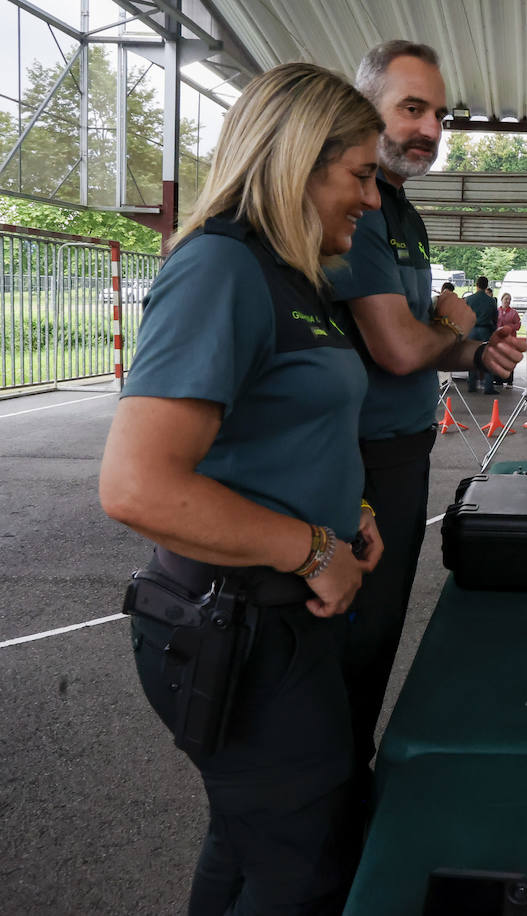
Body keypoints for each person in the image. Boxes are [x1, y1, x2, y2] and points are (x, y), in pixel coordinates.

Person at [99, 62, 386, 913]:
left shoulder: (293, 275)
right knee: (306, 868)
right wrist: (313, 547)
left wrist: (348, 511)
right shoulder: (222, 268)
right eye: (360, 174)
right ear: (300, 161)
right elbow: (137, 485)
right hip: (239, 622)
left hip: (281, 617)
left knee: (254, 839)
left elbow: (279, 435)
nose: (372, 199)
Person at [328, 40, 521, 795]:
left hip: (403, 453)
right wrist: (461, 344)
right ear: (362, 106)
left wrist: (468, 346)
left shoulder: (397, 208)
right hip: (360, 461)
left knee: (374, 642)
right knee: (346, 649)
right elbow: (399, 347)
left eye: (439, 113)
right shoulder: (355, 204)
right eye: (412, 108)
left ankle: (345, 785)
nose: (431, 128)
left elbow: (420, 339)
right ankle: (331, 803)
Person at [465, 275, 500, 393]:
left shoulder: (469, 299)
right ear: (487, 286)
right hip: (486, 330)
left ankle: (472, 385)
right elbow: (495, 317)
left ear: (476, 285)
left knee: (472, 358)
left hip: (472, 331)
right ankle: (488, 387)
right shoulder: (491, 301)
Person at [496, 291, 522, 386]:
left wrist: (510, 327)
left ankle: (509, 380)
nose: (508, 301)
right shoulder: (496, 311)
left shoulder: (513, 313)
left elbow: (518, 325)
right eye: (506, 299)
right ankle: (498, 379)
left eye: (509, 300)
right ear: (502, 300)